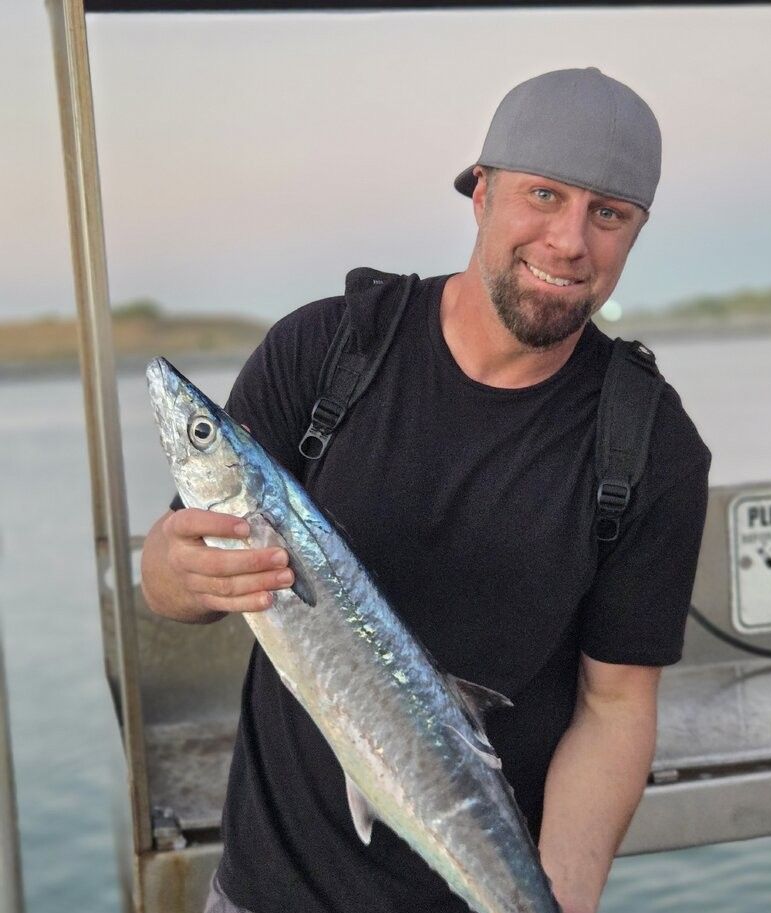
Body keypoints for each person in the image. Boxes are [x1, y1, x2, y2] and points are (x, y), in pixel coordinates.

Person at [141, 67, 710, 913]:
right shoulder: (325, 350)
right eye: (544, 195)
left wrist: (556, 899)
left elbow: (616, 705)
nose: (569, 241)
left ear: (636, 232)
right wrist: (173, 568)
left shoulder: (651, 445)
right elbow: (169, 585)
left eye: (609, 214)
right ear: (480, 193)